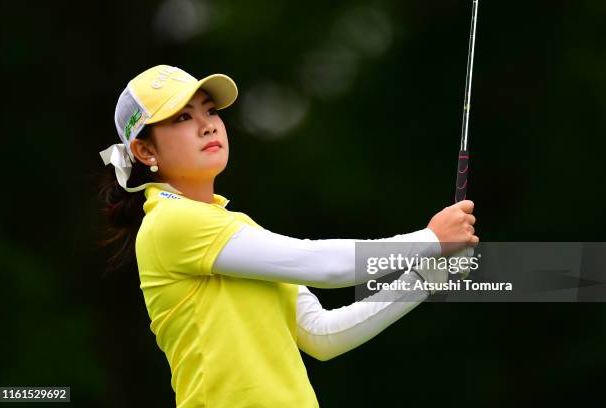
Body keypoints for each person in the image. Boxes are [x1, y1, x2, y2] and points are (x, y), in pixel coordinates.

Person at [99, 65, 478, 408]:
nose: (208, 125)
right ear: (145, 150)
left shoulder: (235, 229)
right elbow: (325, 267)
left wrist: (427, 276)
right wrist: (430, 238)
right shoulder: (171, 221)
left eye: (210, 111)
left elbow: (322, 334)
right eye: (183, 117)